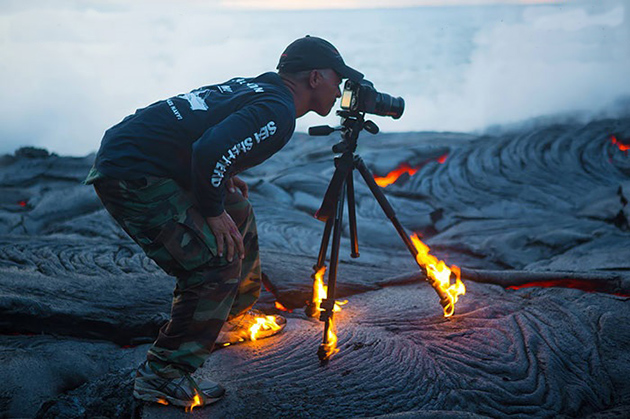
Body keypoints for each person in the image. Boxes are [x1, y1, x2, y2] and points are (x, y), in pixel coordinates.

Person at [84, 35, 363, 409]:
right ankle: (163, 374)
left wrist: (220, 177)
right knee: (215, 261)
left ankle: (229, 317)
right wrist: (212, 211)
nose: (340, 87)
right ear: (315, 77)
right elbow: (209, 148)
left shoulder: (261, 86)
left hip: (143, 154)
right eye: (337, 78)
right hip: (132, 173)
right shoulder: (278, 111)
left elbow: (206, 132)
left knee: (238, 210)